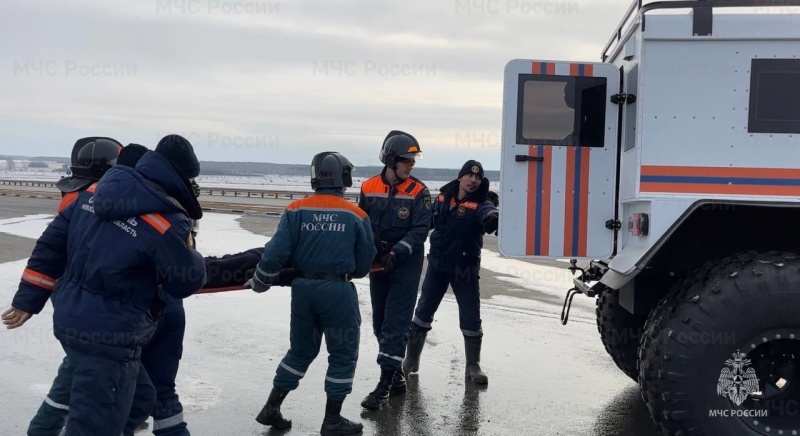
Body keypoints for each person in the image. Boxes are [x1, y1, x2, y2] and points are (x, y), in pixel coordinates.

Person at [3, 133, 207, 435]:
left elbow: (51, 245)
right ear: (181, 177)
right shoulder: (165, 220)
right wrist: (192, 252)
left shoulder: (92, 195)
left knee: (140, 398)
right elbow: (185, 282)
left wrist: (28, 299)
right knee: (95, 423)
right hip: (111, 335)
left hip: (75, 318)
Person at [248, 151, 375, 435]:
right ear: (344, 177)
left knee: (301, 350)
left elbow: (275, 252)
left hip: (302, 289)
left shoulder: (295, 210)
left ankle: (271, 407)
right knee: (343, 353)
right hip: (337, 291)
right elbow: (364, 264)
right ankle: (332, 420)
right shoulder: (356, 215)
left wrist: (262, 279)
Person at [401, 160, 499, 385]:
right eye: (469, 176)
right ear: (460, 177)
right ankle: (411, 360)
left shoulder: (481, 203)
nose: (473, 181)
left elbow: (488, 213)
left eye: (477, 178)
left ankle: (473, 366)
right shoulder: (444, 198)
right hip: (437, 266)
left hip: (464, 269)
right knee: (422, 312)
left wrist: (492, 218)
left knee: (471, 316)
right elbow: (427, 223)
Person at [357, 130, 432, 410]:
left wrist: (396, 251)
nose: (411, 166)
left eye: (413, 161)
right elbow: (361, 223)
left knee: (396, 325)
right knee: (379, 323)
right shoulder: (368, 187)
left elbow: (420, 230)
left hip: (405, 265)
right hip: (378, 264)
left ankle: (383, 386)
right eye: (406, 161)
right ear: (390, 160)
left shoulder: (419, 192)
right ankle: (397, 376)